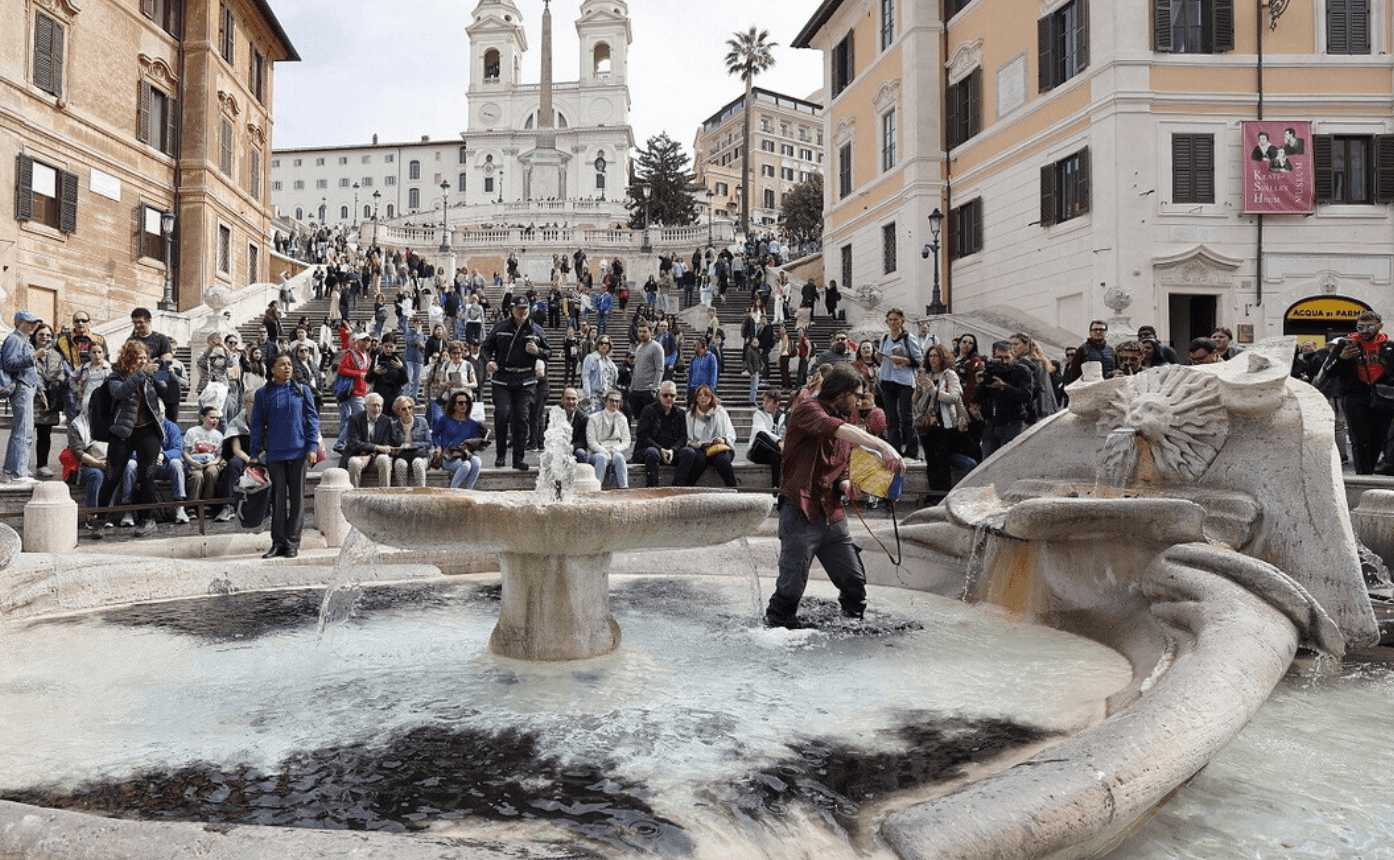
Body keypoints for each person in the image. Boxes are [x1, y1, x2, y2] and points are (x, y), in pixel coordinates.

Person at [765, 363, 902, 629]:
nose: (860, 402)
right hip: (801, 511)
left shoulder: (847, 422)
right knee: (791, 589)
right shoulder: (807, 409)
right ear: (841, 393)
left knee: (854, 582)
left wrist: (848, 485)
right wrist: (884, 445)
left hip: (832, 514)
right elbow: (833, 428)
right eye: (857, 396)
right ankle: (776, 634)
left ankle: (852, 631)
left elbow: (842, 469)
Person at [93, 341, 168, 537]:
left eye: (145, 358)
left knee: (147, 475)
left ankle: (147, 519)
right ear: (128, 359)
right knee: (112, 476)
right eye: (138, 358)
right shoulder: (116, 375)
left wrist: (165, 374)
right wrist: (142, 374)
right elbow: (120, 392)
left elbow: (170, 390)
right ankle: (100, 520)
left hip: (148, 431)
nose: (143, 362)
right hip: (123, 432)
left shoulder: (151, 372)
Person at [249, 353, 320, 559]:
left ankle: (293, 543)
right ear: (272, 369)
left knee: (297, 500)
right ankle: (277, 543)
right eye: (282, 365)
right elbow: (256, 424)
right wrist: (255, 451)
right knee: (277, 500)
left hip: (299, 451)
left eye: (289, 364)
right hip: (274, 453)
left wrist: (312, 447)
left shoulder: (302, 390)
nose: (287, 368)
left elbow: (312, 420)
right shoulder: (263, 394)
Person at [479, 295, 551, 471]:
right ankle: (501, 454)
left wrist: (538, 351)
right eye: (519, 309)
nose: (522, 312)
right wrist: (488, 361)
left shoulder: (536, 329)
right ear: (511, 310)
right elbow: (485, 348)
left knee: (522, 418)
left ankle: (519, 458)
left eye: (525, 308)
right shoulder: (500, 327)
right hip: (502, 378)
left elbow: (548, 352)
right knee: (502, 414)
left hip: (526, 380)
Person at [1333, 312, 1394, 475]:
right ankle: (1363, 475)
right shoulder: (1345, 344)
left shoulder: (1390, 347)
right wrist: (1341, 358)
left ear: (1379, 326)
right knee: (1360, 439)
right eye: (1360, 327)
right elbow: (1329, 372)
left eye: (1370, 326)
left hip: (1383, 397)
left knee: (1378, 439)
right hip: (1354, 395)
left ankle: (1369, 472)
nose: (1364, 330)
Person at [914, 344, 973, 494]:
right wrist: (919, 388)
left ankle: (942, 493)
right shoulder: (926, 374)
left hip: (944, 424)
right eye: (931, 356)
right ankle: (933, 492)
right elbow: (916, 402)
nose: (933, 359)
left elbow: (953, 397)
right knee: (930, 460)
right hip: (926, 422)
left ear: (943, 358)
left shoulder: (949, 375)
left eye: (936, 356)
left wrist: (933, 390)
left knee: (942, 460)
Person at [2, 310, 43, 484]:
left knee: (23, 430)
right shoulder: (14, 339)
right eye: (29, 322)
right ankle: (18, 472)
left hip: (27, 387)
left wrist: (39, 388)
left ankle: (14, 470)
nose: (33, 325)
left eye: (34, 322)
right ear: (19, 323)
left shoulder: (22, 340)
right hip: (21, 387)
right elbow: (9, 363)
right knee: (23, 431)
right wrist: (33, 356)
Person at [975, 341, 1033, 458]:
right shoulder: (991, 369)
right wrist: (981, 382)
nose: (1004, 362)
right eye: (999, 358)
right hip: (991, 425)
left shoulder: (1021, 370)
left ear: (1013, 355)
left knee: (1009, 462)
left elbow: (1026, 396)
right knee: (987, 464)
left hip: (1012, 424)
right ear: (993, 356)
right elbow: (979, 396)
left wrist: (1004, 387)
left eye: (1007, 357)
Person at [878, 307, 923, 459]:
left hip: (904, 380)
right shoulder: (884, 338)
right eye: (890, 319)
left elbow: (919, 360)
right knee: (892, 418)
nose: (893, 322)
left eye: (896, 319)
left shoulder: (908, 338)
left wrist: (904, 360)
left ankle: (912, 451)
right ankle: (894, 450)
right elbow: (881, 359)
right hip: (886, 379)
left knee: (906, 417)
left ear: (902, 321)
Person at [674, 384, 738, 488]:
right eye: (700, 395)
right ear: (696, 398)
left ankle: (732, 487)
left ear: (711, 397)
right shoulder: (690, 415)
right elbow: (689, 437)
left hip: (720, 448)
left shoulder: (720, 412)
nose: (703, 397)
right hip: (700, 448)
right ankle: (689, 487)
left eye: (706, 395)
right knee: (699, 460)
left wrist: (722, 440)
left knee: (721, 461)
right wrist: (697, 444)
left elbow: (730, 432)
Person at [30, 323, 67, 479]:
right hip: (33, 397)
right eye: (41, 334)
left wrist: (56, 383)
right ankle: (20, 465)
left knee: (45, 435)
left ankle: (42, 465)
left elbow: (61, 372)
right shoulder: (29, 351)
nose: (45, 338)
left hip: (50, 399)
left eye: (48, 335)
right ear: (35, 336)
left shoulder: (56, 354)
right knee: (25, 434)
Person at [635, 380, 687, 487]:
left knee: (689, 453)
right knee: (652, 452)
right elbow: (642, 435)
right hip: (651, 450)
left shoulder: (680, 413)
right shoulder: (648, 410)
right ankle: (652, 488)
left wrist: (673, 450)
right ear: (659, 396)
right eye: (665, 395)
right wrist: (660, 449)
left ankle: (677, 487)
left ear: (676, 397)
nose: (669, 398)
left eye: (672, 395)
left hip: (671, 452)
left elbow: (683, 437)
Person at [431, 391, 487, 489]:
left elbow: (474, 443)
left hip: (465, 453)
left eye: (467, 402)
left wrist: (481, 442)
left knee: (477, 462)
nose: (464, 405)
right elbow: (434, 435)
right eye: (460, 403)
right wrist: (438, 447)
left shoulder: (473, 423)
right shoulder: (444, 419)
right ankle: (452, 491)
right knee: (465, 466)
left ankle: (468, 491)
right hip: (448, 455)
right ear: (454, 405)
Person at [340, 392, 393, 487]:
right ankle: (353, 495)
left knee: (385, 459)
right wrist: (376, 447)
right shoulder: (354, 419)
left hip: (376, 456)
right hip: (357, 454)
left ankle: (385, 493)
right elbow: (353, 442)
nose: (377, 409)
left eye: (379, 405)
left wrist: (370, 456)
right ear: (365, 406)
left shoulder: (386, 421)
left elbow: (385, 445)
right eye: (374, 405)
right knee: (354, 462)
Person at [333, 332, 372, 452]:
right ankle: (343, 443)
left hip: (362, 389)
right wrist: (358, 374)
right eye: (363, 340)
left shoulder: (367, 355)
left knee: (356, 418)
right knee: (360, 417)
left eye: (367, 340)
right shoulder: (351, 354)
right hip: (354, 390)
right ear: (358, 342)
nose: (365, 342)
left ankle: (342, 443)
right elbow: (341, 369)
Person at [182, 405, 225, 514]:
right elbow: (186, 452)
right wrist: (192, 462)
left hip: (211, 462)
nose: (215, 420)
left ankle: (207, 504)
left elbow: (220, 455)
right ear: (203, 418)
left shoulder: (219, 435)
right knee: (197, 476)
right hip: (194, 462)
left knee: (212, 472)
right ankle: (192, 506)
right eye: (212, 417)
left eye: (217, 418)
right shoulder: (192, 432)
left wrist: (213, 462)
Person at [585, 389, 630, 488]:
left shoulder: (623, 419)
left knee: (619, 457)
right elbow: (591, 442)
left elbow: (626, 441)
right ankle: (596, 488)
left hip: (614, 450)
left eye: (617, 401)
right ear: (605, 401)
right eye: (611, 400)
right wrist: (604, 451)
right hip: (597, 452)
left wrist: (614, 450)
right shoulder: (593, 418)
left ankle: (624, 488)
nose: (614, 403)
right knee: (602, 458)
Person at [388, 395, 432, 487]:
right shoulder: (393, 426)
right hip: (402, 456)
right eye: (404, 409)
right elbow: (390, 446)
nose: (408, 411)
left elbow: (428, 443)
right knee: (400, 464)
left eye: (410, 407)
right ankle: (403, 492)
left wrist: (411, 445)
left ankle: (421, 492)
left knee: (417, 463)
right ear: (398, 411)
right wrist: (397, 450)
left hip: (420, 455)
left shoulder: (422, 422)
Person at [747, 387, 787, 488]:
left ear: (776, 403)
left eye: (768, 401)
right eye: (764, 401)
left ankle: (775, 487)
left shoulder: (783, 417)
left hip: (774, 452)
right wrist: (778, 442)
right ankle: (782, 454)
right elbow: (760, 431)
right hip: (757, 451)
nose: (764, 404)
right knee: (761, 435)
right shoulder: (758, 414)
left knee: (775, 454)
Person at [628, 320, 665, 418]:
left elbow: (660, 369)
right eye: (640, 331)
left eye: (644, 331)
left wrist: (654, 389)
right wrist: (632, 387)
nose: (642, 334)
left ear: (650, 331)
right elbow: (636, 368)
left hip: (648, 391)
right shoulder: (639, 347)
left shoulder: (657, 347)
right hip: (636, 390)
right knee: (638, 421)